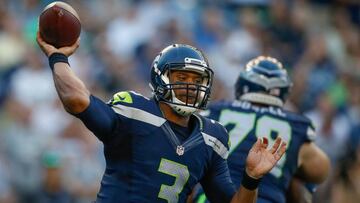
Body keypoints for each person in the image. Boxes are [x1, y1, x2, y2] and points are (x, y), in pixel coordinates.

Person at [36, 32, 287, 203]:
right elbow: (77, 100)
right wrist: (58, 57)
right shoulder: (134, 112)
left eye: (197, 80)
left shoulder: (213, 138)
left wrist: (251, 179)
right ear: (161, 80)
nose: (191, 87)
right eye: (182, 78)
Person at [193, 56, 330, 203]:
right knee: (300, 179)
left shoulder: (216, 111)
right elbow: (321, 171)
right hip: (267, 199)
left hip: (212, 199)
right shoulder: (295, 125)